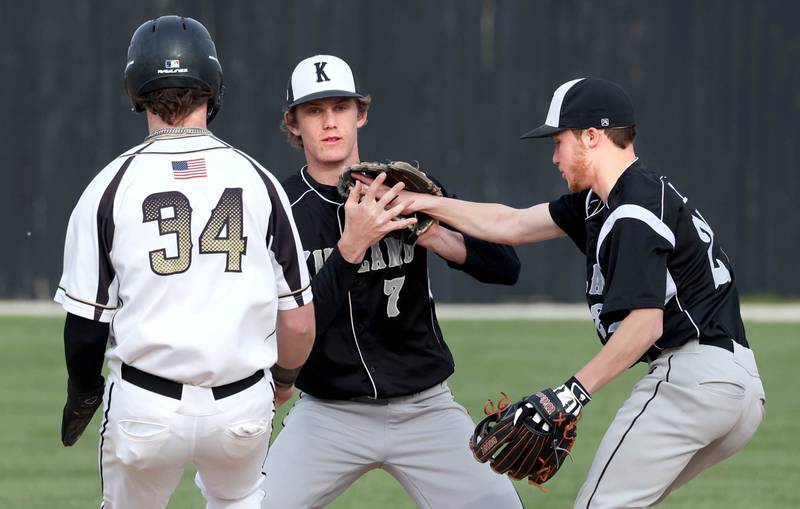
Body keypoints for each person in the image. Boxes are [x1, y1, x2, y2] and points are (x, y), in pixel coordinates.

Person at [363, 77, 766, 508]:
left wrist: (570, 394)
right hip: (738, 389)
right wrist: (425, 205)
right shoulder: (611, 199)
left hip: (692, 379)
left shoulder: (632, 210)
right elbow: (512, 224)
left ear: (592, 136)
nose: (554, 157)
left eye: (559, 141)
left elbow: (646, 324)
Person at [54, 15, 314, 508]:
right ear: (212, 87)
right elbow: (299, 323)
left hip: (145, 406)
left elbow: (85, 327)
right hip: (240, 405)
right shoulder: (259, 181)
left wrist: (84, 392)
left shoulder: (110, 186)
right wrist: (282, 381)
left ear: (137, 88)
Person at [260, 55, 523, 508]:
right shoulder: (280, 210)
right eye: (314, 111)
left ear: (360, 114)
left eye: (340, 107)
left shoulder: (405, 189)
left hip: (426, 409)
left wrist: (432, 231)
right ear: (293, 122)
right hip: (328, 414)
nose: (329, 122)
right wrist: (350, 248)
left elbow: (505, 266)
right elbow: (299, 322)